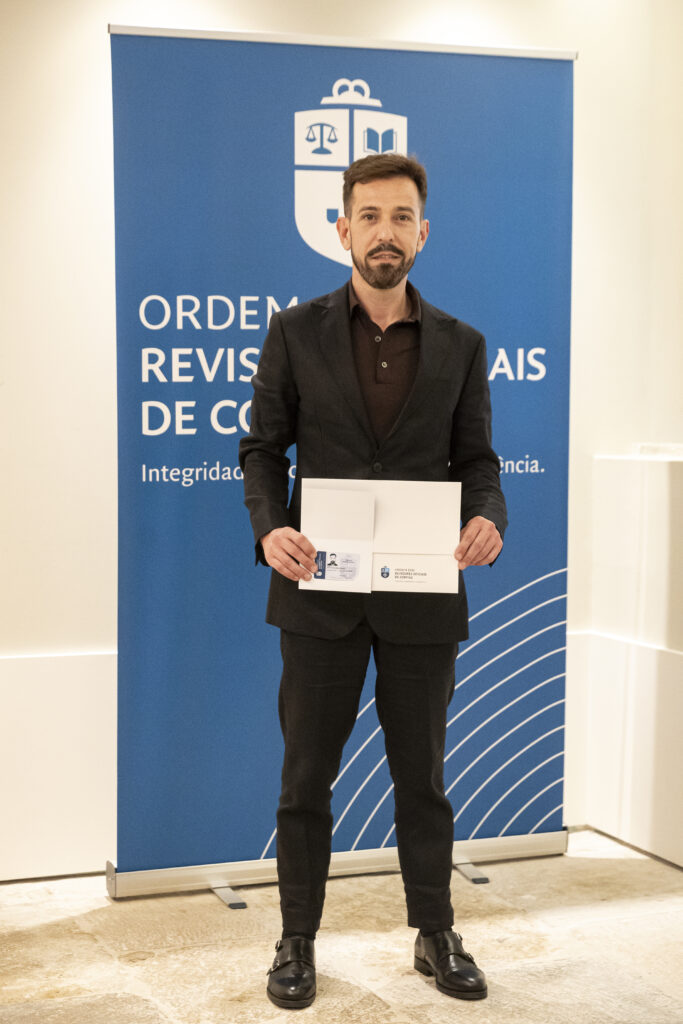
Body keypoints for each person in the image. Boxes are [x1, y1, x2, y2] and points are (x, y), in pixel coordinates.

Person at [239, 153, 507, 1009]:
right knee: (303, 781)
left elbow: (477, 460)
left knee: (422, 781)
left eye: (399, 217)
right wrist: (270, 527)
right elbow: (261, 449)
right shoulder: (294, 332)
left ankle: (434, 933)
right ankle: (295, 941)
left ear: (421, 233)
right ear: (342, 229)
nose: (383, 232)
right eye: (368, 216)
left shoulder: (462, 344)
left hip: (420, 599)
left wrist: (488, 516)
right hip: (318, 598)